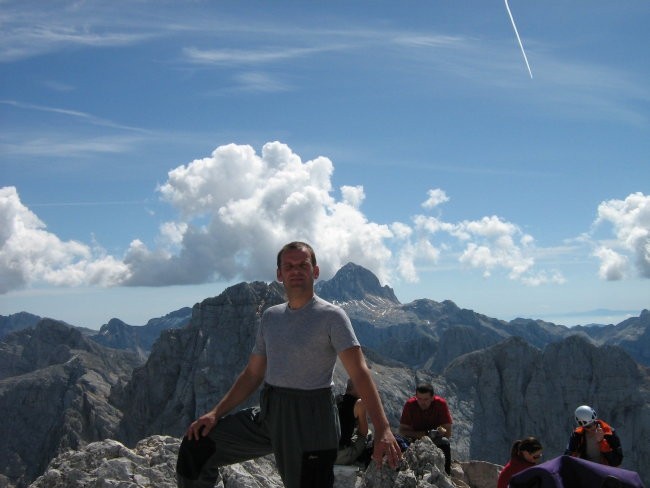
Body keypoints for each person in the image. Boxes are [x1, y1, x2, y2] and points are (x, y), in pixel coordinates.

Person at [176, 241, 401, 488]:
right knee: (196, 448)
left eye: (303, 265)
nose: (296, 271)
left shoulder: (332, 317)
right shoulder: (271, 317)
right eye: (289, 266)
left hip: (313, 421)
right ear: (279, 274)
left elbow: (359, 372)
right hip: (271, 414)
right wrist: (215, 413)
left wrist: (382, 428)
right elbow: (252, 374)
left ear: (315, 272)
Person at [398, 382, 453, 474]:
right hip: (414, 441)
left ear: (432, 398)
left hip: (435, 440)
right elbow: (402, 430)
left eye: (426, 399)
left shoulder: (440, 404)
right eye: (419, 399)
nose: (422, 402)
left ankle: (447, 473)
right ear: (415, 397)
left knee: (445, 443)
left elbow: (448, 432)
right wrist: (425, 434)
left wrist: (438, 433)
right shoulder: (410, 405)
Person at [335, 378, 369, 466]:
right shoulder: (359, 403)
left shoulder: (336, 398)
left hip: (325, 450)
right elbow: (363, 432)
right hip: (339, 455)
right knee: (368, 434)